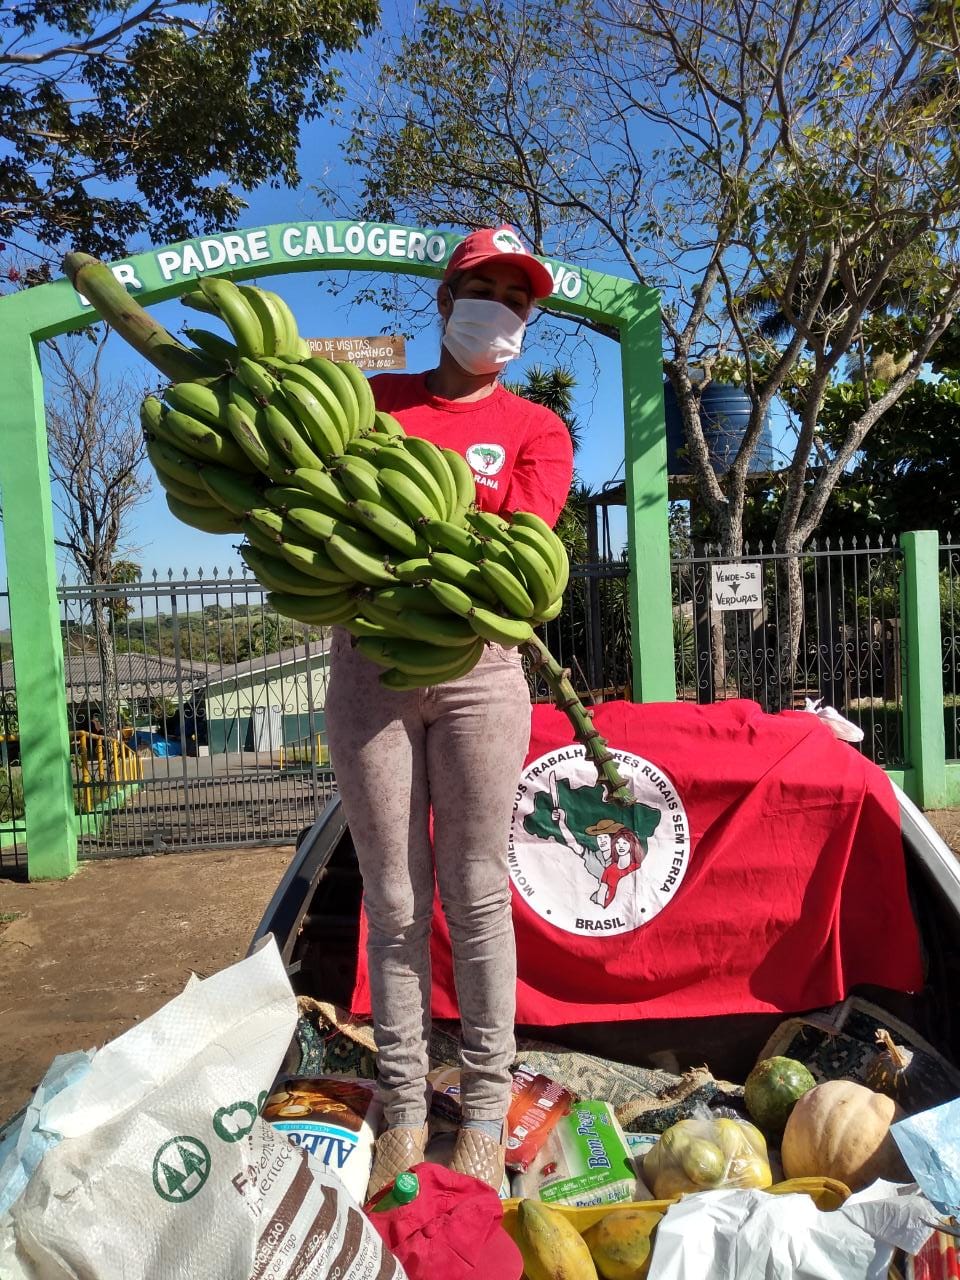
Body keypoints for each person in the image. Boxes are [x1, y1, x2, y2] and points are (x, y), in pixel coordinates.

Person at [323, 226, 574, 1196]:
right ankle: (400, 1106)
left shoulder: (537, 430)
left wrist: (401, 541)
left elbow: (517, 558)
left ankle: (481, 1108)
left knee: (475, 892)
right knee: (393, 899)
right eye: (485, 290)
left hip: (481, 673)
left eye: (518, 298)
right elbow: (323, 513)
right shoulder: (370, 406)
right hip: (371, 670)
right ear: (445, 300)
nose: (500, 310)